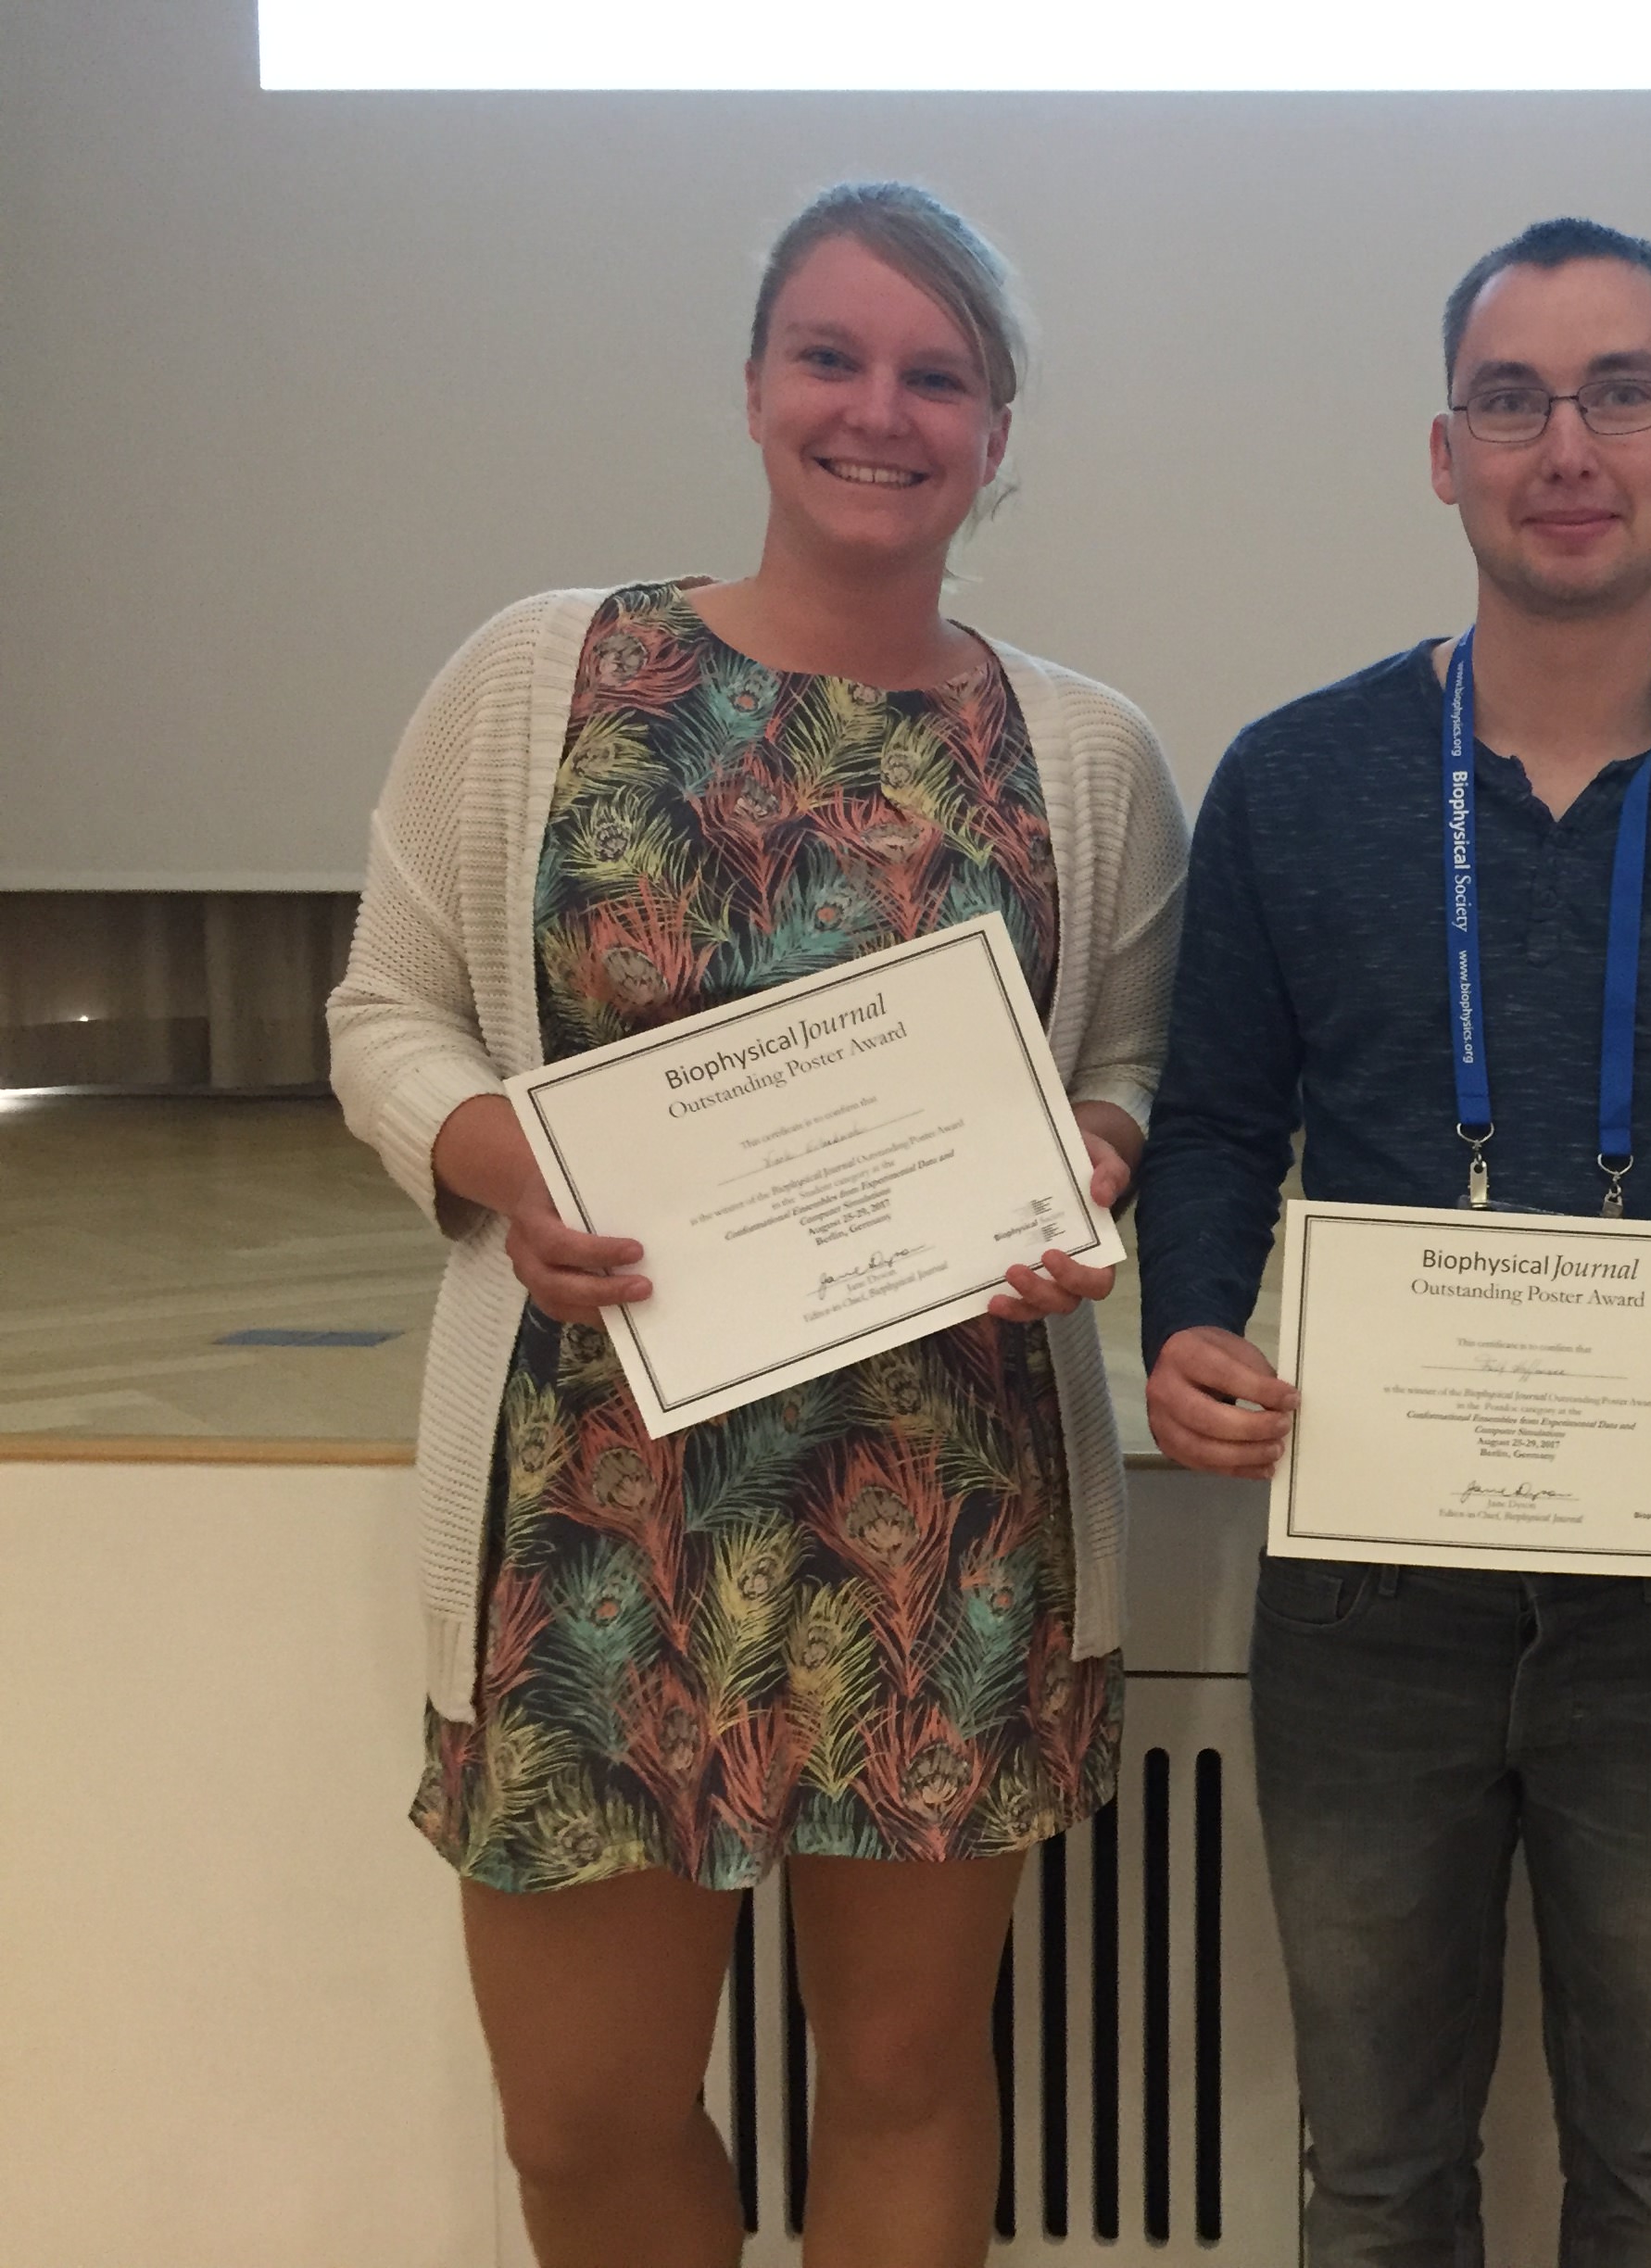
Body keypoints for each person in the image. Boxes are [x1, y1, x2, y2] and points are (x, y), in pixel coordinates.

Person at [325, 182, 1185, 2268]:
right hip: (593, 1510)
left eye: (935, 374)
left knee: (903, 2079)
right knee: (584, 2123)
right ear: (752, 387)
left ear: (994, 429)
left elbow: (1133, 1070)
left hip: (949, 1503)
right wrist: (501, 1163)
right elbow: (384, 1016)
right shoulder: (546, 678)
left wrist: (1090, 1158)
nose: (877, 410)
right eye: (832, 355)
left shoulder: (1084, 753)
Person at [1135, 218, 1651, 2263]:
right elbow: (1213, 1126)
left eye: (1621, 391)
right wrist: (1190, 1321)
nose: (1568, 444)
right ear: (1444, 452)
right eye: (1514, 399)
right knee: (1375, 2171)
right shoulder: (1296, 786)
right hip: (1365, 1597)